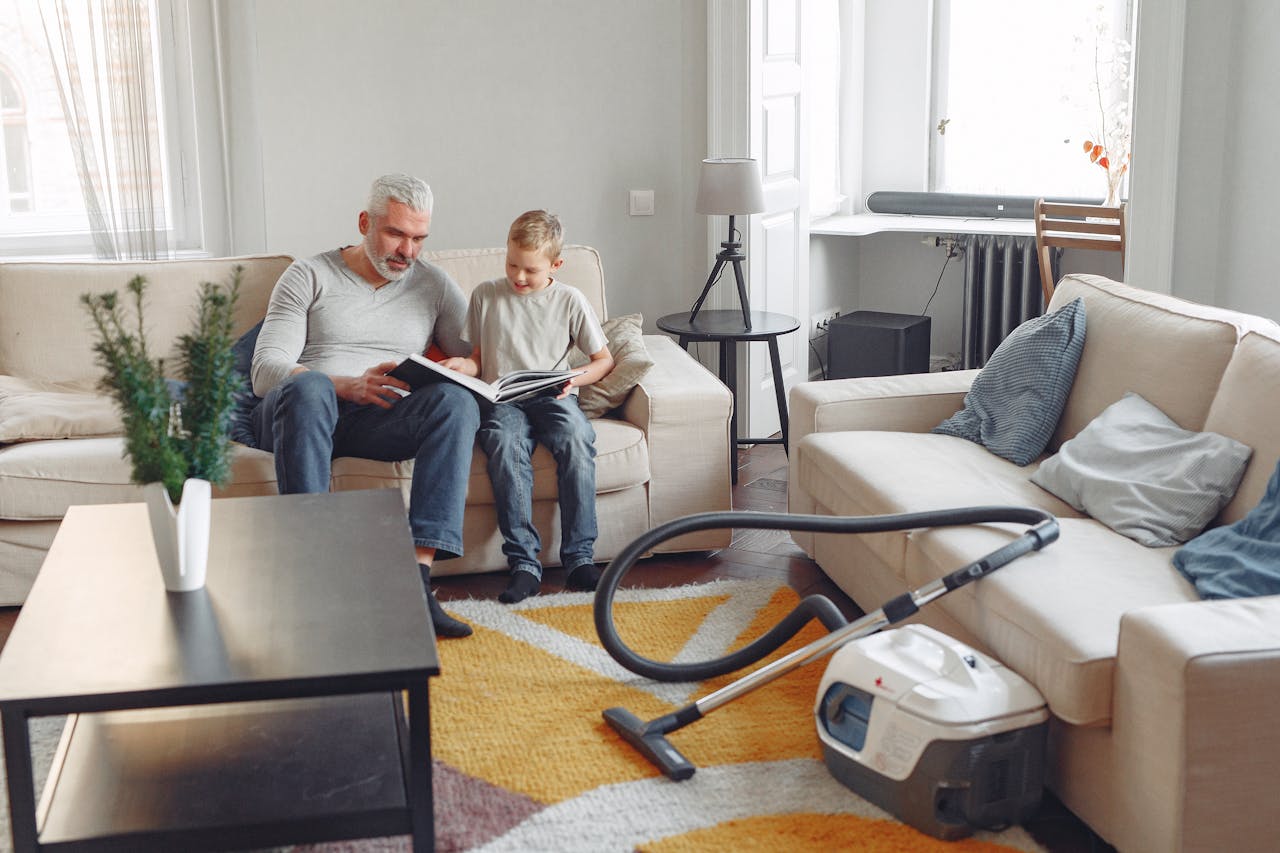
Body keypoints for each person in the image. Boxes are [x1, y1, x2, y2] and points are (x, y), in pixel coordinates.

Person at [250, 173, 477, 638]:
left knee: (456, 402)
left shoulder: (433, 284)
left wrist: (464, 368)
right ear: (364, 222)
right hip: (301, 413)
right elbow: (265, 370)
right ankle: (315, 583)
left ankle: (417, 583)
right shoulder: (310, 275)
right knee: (310, 389)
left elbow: (477, 354)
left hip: (379, 419)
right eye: (396, 233)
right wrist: (343, 385)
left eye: (418, 238)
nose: (407, 251)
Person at [439, 210, 615, 603]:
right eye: (512, 264)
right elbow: (480, 360)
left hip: (554, 395)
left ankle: (580, 559)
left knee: (575, 437)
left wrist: (574, 380)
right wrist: (460, 366)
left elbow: (603, 361)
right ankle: (524, 564)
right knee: (502, 442)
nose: (518, 277)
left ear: (556, 265)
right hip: (503, 398)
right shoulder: (486, 295)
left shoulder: (570, 300)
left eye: (530, 270)